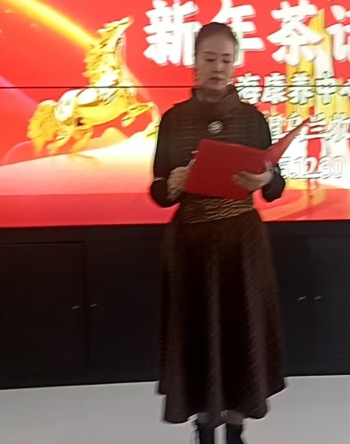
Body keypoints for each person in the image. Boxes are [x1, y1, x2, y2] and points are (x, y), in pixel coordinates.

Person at [149, 22, 286, 444]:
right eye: (209, 58)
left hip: (241, 244)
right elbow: (158, 191)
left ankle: (237, 426)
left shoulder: (253, 119)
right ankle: (204, 427)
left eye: (226, 59)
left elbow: (277, 186)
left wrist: (265, 179)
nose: (218, 67)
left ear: (235, 63)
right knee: (199, 335)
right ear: (195, 62)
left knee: (240, 333)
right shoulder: (174, 119)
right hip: (191, 244)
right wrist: (174, 182)